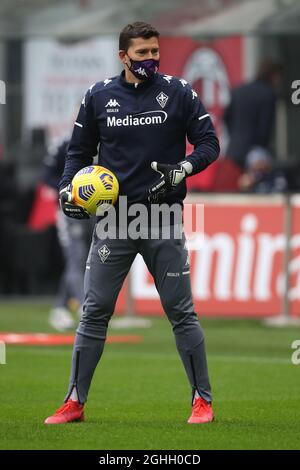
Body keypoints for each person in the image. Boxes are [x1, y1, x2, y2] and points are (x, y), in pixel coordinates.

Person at [44, 21, 220, 425]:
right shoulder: (99, 95)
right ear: (123, 56)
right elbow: (78, 153)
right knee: (94, 312)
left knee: (181, 312)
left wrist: (184, 169)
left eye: (154, 52)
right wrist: (68, 190)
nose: (150, 60)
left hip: (161, 218)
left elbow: (210, 143)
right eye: (142, 54)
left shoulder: (178, 92)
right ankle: (74, 402)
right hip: (114, 221)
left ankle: (202, 401)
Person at [41, 140, 94, 330]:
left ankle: (59, 307)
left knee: (86, 258)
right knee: (76, 257)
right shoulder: (63, 145)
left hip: (95, 210)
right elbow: (46, 176)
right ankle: (83, 305)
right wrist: (71, 188)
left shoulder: (106, 139)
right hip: (69, 210)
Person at [216, 59, 282, 191]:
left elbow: (226, 118)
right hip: (255, 154)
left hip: (235, 150)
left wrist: (236, 136)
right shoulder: (268, 94)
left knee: (235, 189)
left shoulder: (238, 91)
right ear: (274, 75)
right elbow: (265, 127)